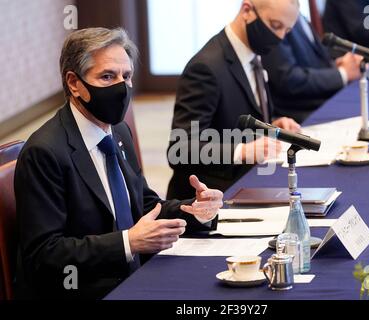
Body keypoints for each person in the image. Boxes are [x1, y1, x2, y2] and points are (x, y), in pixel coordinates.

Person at [14, 27, 223, 299]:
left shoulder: (119, 131)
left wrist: (195, 211)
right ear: (74, 83)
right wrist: (128, 242)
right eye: (107, 77)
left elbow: (144, 204)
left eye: (126, 76)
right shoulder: (44, 152)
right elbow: (44, 254)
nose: (121, 87)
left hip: (134, 277)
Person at [167, 0, 301, 200]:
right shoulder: (206, 68)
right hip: (210, 197)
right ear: (247, 11)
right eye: (275, 26)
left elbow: (234, 120)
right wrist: (242, 151)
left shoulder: (253, 54)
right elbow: (180, 149)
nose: (280, 37)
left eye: (287, 31)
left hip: (249, 180)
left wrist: (270, 126)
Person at [262, 14, 362, 123]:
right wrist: (343, 73)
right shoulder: (278, 17)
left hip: (320, 100)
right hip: (300, 112)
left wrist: (336, 66)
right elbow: (288, 78)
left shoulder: (299, 14)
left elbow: (314, 60)